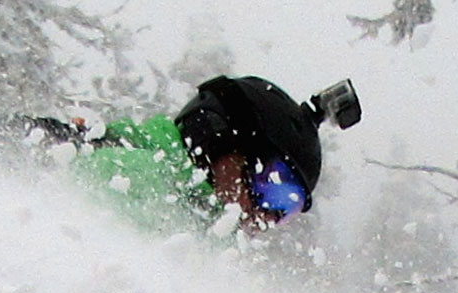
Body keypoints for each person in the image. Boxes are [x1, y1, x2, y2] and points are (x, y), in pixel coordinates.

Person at [37, 75, 359, 236]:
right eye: (272, 190)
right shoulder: (144, 186)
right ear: (220, 140)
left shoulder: (189, 211)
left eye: (287, 210)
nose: (266, 218)